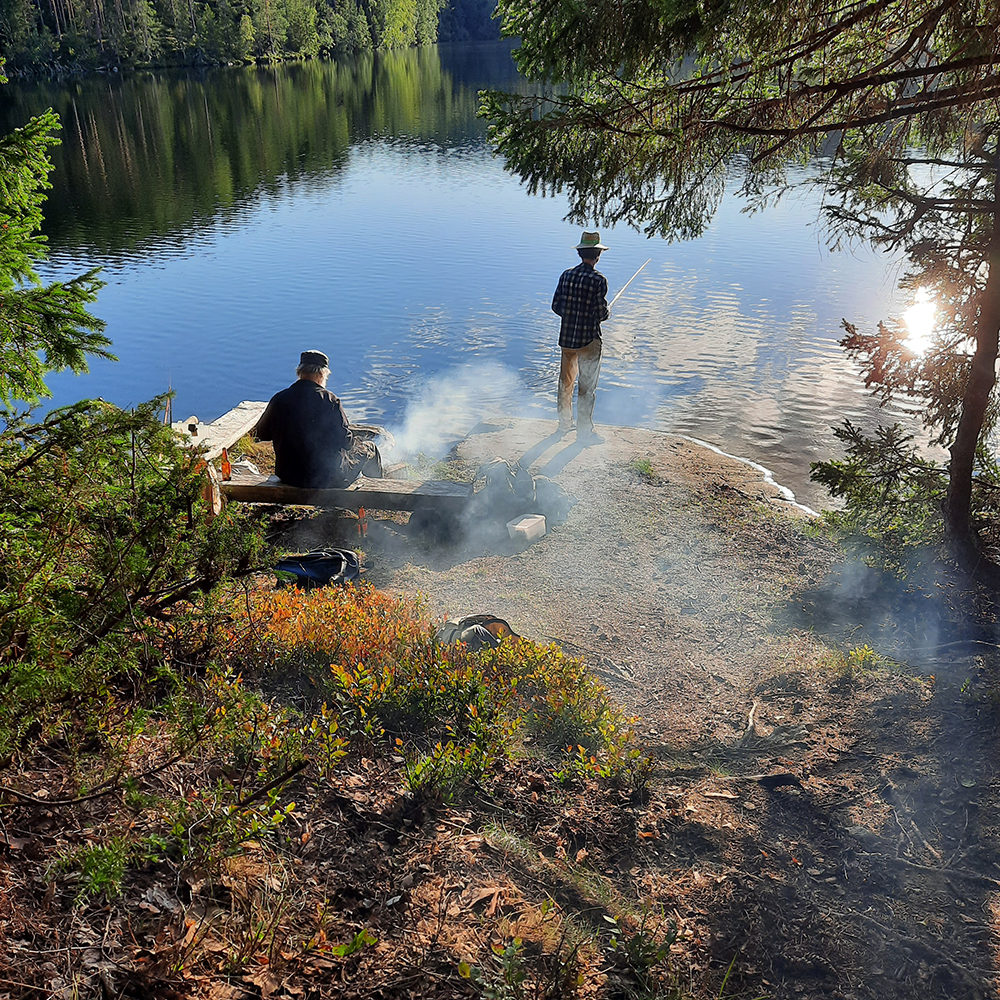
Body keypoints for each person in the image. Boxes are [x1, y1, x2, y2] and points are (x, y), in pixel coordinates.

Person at [254, 350, 383, 489]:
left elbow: (261, 433)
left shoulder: (279, 399)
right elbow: (345, 441)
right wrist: (355, 441)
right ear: (322, 374)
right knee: (370, 448)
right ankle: (380, 492)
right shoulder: (330, 401)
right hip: (327, 479)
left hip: (288, 476)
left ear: (300, 372)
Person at [551, 231, 610, 441]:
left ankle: (564, 425)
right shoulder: (598, 280)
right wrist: (606, 312)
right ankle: (584, 432)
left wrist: (571, 315)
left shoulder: (566, 275)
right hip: (588, 341)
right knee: (587, 387)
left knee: (565, 383)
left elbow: (556, 306)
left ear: (580, 253)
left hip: (567, 340)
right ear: (597, 256)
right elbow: (600, 313)